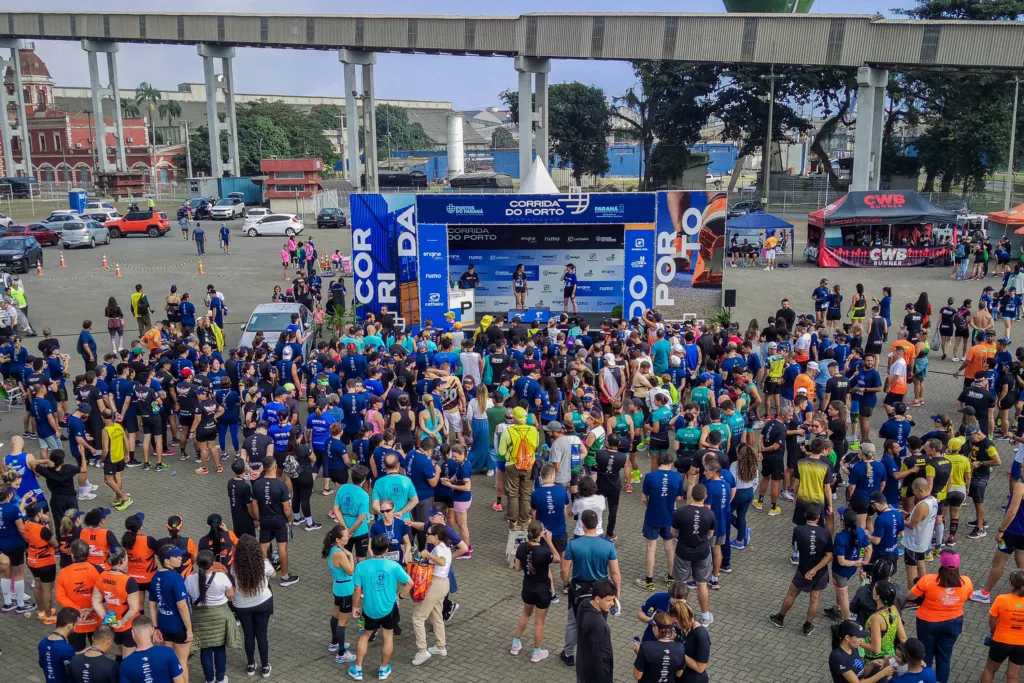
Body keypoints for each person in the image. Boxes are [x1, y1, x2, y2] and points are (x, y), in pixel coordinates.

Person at [560, 509, 620, 667]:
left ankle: (569, 654)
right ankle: (596, 655)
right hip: (602, 590)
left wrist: (566, 585)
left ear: (583, 525)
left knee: (573, 623)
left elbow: (565, 571)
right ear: (598, 523)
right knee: (600, 623)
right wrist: (616, 593)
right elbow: (615, 572)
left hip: (578, 589)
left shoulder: (573, 545)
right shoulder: (608, 545)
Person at [349, 534, 412, 682]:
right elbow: (410, 583)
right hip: (389, 608)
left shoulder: (361, 566)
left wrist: (354, 606)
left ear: (371, 548)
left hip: (369, 609)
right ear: (386, 549)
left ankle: (358, 669)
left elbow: (357, 590)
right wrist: (401, 596)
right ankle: (383, 670)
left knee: (365, 636)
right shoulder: (394, 566)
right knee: (388, 637)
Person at [769, 502, 833, 636]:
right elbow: (829, 556)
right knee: (815, 598)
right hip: (820, 572)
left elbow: (795, 547)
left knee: (792, 593)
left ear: (805, 515)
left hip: (803, 569)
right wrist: (815, 570)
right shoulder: (825, 533)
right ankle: (807, 626)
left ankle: (780, 617)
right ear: (818, 517)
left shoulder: (798, 530)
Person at [910, 550, 972, 683]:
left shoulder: (928, 580)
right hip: (953, 622)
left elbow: (910, 596)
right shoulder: (966, 582)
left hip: (927, 623)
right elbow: (967, 596)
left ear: (941, 563)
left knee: (926, 655)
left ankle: (925, 680)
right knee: (944, 657)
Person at [511, 520, 558, 663]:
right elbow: (558, 559)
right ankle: (536, 652)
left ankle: (515, 644)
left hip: (527, 588)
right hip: (542, 591)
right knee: (539, 623)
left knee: (525, 614)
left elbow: (517, 568)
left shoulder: (522, 547)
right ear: (541, 533)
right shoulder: (544, 552)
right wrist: (549, 542)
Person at [185, 550, 235, 683]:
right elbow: (231, 595)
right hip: (220, 616)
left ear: (197, 564)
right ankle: (220, 678)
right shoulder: (222, 577)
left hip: (200, 618)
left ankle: (209, 679)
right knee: (220, 649)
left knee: (205, 649)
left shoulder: (190, 579)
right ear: (212, 564)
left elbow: (187, 597)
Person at [672, 483, 715, 627]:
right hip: (702, 553)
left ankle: (679, 615)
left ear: (691, 495)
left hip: (683, 552)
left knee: (681, 584)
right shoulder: (710, 514)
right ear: (705, 496)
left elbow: (673, 532)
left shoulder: (681, 512)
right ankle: (705, 616)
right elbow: (710, 534)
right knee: (702, 584)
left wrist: (682, 538)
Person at [232, 534, 275, 676]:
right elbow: (274, 574)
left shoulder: (235, 567)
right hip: (263, 602)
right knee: (262, 634)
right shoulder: (263, 564)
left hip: (242, 605)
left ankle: (250, 665)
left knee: (248, 634)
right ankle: (265, 666)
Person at [147, 545, 193, 679]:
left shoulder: (155, 577)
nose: (180, 559)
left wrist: (155, 627)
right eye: (176, 557)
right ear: (167, 561)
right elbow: (182, 606)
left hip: (164, 625)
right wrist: (189, 629)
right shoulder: (176, 578)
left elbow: (152, 604)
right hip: (179, 626)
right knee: (182, 662)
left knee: (171, 661)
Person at [253, 456, 298, 586]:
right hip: (279, 520)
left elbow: (254, 504)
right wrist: (289, 518)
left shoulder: (257, 484)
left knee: (263, 546)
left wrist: (258, 519)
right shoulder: (281, 485)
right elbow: (286, 507)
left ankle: (262, 576)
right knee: (282, 547)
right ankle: (285, 577)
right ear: (275, 467)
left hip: (265, 519)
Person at [411, 523, 451, 666]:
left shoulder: (439, 549)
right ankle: (441, 646)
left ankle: (422, 650)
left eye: (429, 534)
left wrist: (427, 555)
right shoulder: (445, 547)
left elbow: (442, 562)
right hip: (444, 583)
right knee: (436, 614)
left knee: (418, 617)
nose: (427, 535)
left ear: (436, 536)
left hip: (435, 584)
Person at [92, 548, 142, 660]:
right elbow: (134, 609)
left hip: (112, 621)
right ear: (123, 560)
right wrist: (122, 622)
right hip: (129, 625)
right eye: (127, 558)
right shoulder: (129, 581)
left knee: (119, 652)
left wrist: (106, 618)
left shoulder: (102, 575)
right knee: (129, 657)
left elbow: (96, 600)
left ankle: (116, 670)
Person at [498, 406, 538, 531]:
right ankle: (525, 521)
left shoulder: (508, 431)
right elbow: (536, 446)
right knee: (526, 493)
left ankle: (513, 522)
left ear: (514, 418)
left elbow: (501, 452)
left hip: (512, 465)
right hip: (528, 465)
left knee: (513, 494)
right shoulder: (533, 430)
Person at [323, 524, 357, 664]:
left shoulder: (333, 549)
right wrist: (350, 556)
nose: (348, 536)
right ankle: (341, 653)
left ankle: (334, 642)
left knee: (336, 615)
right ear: (338, 539)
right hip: (345, 590)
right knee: (343, 622)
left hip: (338, 588)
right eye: (346, 535)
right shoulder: (340, 553)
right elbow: (351, 571)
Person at [119, 616, 186, 683]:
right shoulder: (168, 652)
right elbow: (179, 681)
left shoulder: (125, 664)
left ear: (133, 633)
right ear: (152, 631)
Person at [575, 578, 615, 683]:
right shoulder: (597, 624)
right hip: (595, 676)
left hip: (583, 667)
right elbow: (597, 655)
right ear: (597, 599)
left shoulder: (584, 605)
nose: (612, 604)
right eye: (608, 600)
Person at [828, 619, 894, 683]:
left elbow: (860, 674)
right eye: (858, 637)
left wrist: (871, 664)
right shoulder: (838, 657)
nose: (861, 640)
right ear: (847, 638)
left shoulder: (853, 648)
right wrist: (882, 673)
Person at [632, 609, 685, 682]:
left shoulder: (646, 647)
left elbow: (637, 676)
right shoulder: (680, 647)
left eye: (652, 626)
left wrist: (639, 655)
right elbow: (679, 674)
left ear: (656, 628)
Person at [37, 606, 79, 683]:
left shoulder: (42, 643)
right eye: (76, 624)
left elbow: (42, 663)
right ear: (70, 626)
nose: (76, 628)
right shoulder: (67, 649)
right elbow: (75, 672)